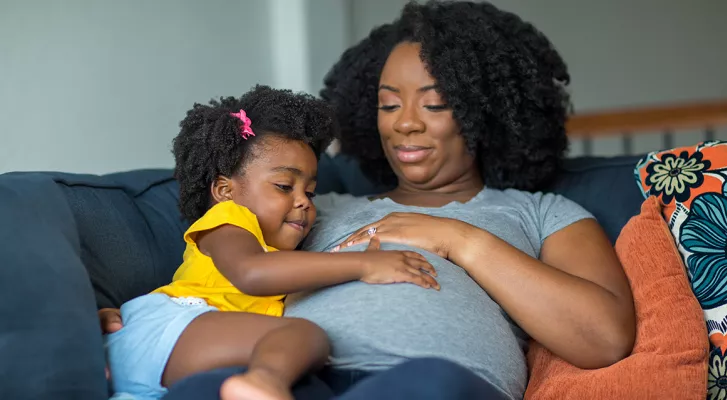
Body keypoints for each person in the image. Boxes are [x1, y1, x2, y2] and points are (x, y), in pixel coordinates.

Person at [101, 1, 637, 399]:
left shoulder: (541, 213)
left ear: (485, 110)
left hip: (433, 382)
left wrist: (459, 239)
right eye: (387, 104)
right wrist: (134, 319)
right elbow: (226, 275)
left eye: (436, 104)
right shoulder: (309, 205)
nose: (405, 122)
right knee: (213, 387)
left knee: (430, 383)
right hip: (293, 375)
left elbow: (603, 339)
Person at [104, 85, 441, 400]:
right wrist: (364, 264)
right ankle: (265, 381)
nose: (304, 202)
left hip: (155, 373)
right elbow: (252, 273)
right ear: (225, 192)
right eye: (284, 186)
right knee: (302, 336)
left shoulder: (280, 250)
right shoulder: (229, 221)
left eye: (309, 191)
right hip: (170, 327)